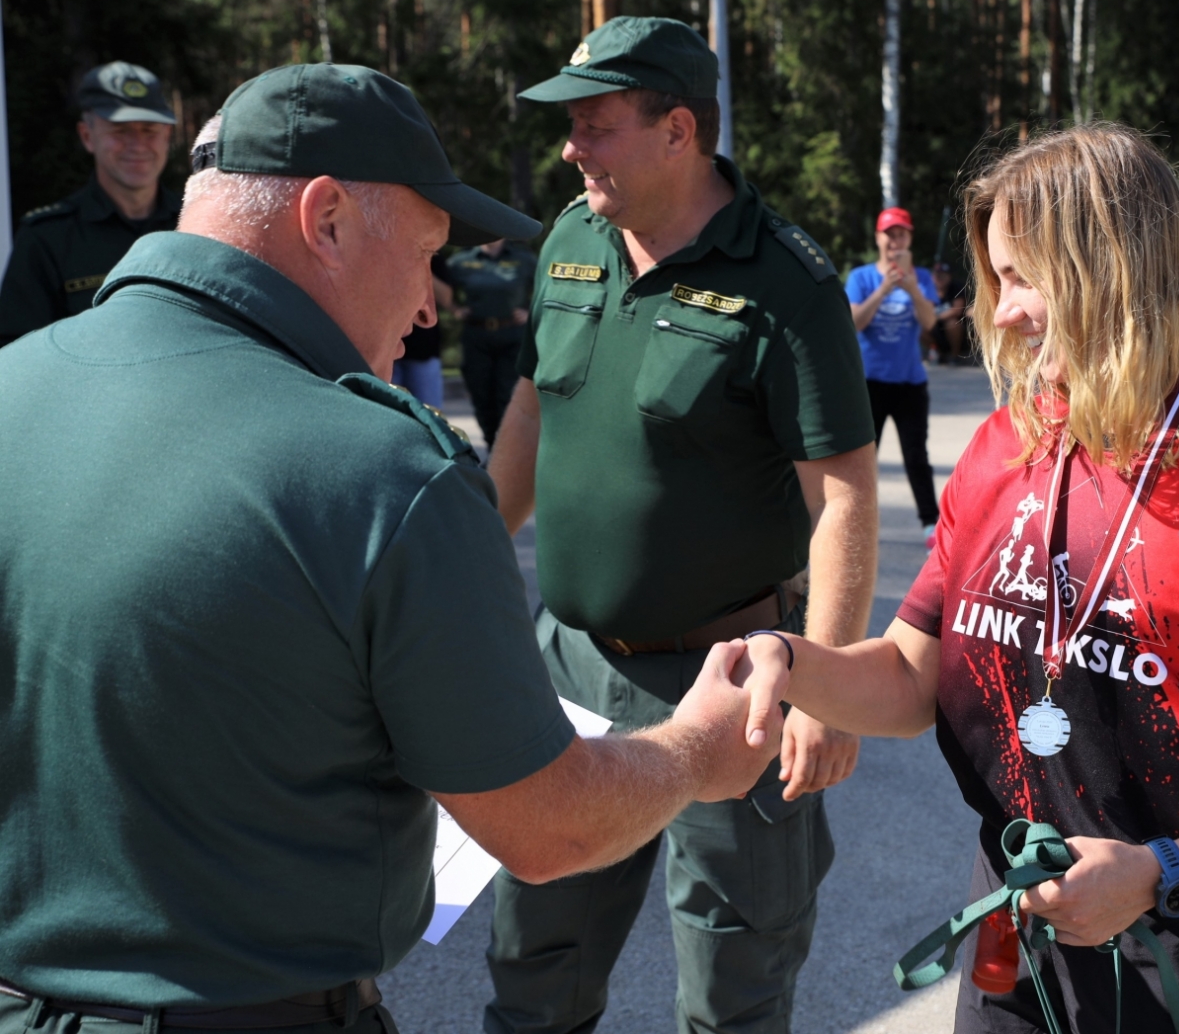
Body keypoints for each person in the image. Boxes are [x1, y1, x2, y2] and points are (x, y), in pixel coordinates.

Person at [0, 63, 782, 1034]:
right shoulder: (384, 472)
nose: (427, 306)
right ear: (326, 219)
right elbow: (551, 824)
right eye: (425, 255)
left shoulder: (14, 386)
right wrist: (696, 751)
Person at [732, 124, 1179, 1034]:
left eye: (1021, 277)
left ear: (1111, 271)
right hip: (1010, 924)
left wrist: (1164, 865)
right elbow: (908, 676)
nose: (999, 312)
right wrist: (787, 658)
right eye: (994, 278)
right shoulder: (1004, 447)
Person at [485, 17, 879, 1034]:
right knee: (536, 956)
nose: (572, 147)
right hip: (566, 668)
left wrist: (825, 687)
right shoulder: (571, 236)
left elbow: (840, 493)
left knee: (733, 979)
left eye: (596, 125)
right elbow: (534, 406)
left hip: (731, 678)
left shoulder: (785, 281)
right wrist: (470, 552)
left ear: (679, 130)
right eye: (569, 125)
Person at [0, 61, 181, 347]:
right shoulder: (47, 238)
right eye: (120, 130)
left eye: (149, 130)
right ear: (87, 136)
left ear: (167, 136)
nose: (137, 145)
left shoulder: (195, 226)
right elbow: (15, 353)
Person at [847, 207, 942, 541]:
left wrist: (913, 288)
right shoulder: (862, 278)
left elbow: (930, 324)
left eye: (901, 234)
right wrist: (883, 289)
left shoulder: (922, 278)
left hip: (909, 384)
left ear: (910, 239)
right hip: (868, 384)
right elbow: (855, 322)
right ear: (878, 238)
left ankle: (932, 525)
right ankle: (854, 522)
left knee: (916, 457)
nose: (895, 241)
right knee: (860, 459)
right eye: (889, 234)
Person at [445, 237, 539, 445]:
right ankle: (492, 447)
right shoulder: (462, 261)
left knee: (508, 396)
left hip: (512, 337)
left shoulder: (523, 259)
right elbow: (436, 282)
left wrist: (532, 311)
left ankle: (509, 448)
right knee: (481, 397)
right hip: (477, 336)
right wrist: (455, 309)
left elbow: (549, 285)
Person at [390, 252, 453, 408]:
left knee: (430, 417)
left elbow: (446, 298)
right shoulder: (382, 255)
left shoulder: (434, 258)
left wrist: (420, 263)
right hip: (387, 347)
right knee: (385, 414)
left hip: (423, 350)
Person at [931, 261, 971, 363]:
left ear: (949, 276)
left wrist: (935, 317)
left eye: (943, 275)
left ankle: (955, 356)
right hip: (935, 327)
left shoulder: (956, 287)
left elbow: (957, 310)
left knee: (952, 323)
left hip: (958, 330)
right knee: (920, 325)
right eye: (937, 275)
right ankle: (937, 355)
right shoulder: (928, 289)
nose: (940, 278)